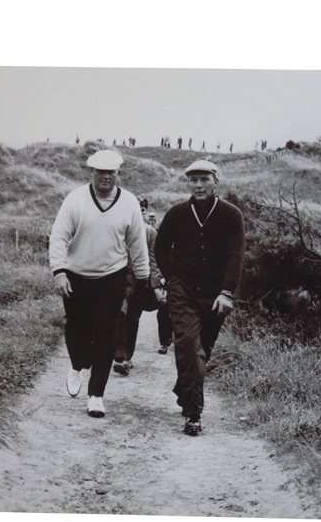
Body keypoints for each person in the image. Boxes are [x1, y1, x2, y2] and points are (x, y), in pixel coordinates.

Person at [49, 150, 149, 418]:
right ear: (91, 172)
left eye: (111, 172)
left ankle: (96, 395)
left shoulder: (129, 203)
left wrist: (143, 278)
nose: (105, 177)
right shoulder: (75, 200)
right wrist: (59, 271)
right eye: (100, 172)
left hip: (112, 277)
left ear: (118, 174)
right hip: (76, 276)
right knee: (77, 328)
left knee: (107, 334)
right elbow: (58, 237)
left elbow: (138, 244)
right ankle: (77, 364)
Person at [155, 159, 245, 436]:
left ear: (216, 181)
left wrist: (227, 292)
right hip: (182, 290)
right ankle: (193, 414)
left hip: (216, 294)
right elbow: (160, 248)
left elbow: (235, 255)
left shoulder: (231, 215)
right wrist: (171, 280)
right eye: (193, 180)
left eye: (204, 179)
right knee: (187, 344)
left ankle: (185, 389)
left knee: (202, 349)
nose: (198, 185)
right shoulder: (177, 213)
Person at [113, 199, 172, 375]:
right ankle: (121, 357)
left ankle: (127, 357)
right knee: (119, 315)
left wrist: (154, 286)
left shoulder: (150, 233)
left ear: (144, 211)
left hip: (141, 283)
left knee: (132, 319)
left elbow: (154, 262)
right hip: (119, 281)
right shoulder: (117, 229)